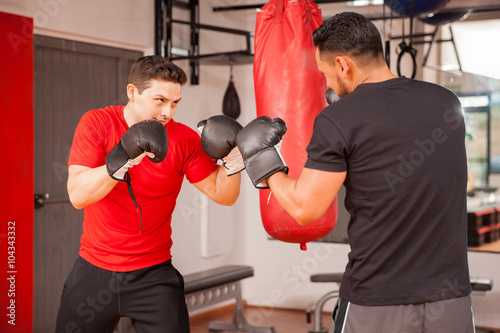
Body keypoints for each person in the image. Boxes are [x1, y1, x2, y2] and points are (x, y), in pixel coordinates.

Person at [236, 12, 473, 333]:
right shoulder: (447, 102)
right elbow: (455, 180)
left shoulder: (339, 119)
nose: (327, 84)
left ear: (342, 65)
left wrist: (263, 158)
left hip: (377, 299)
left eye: (325, 74)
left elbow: (305, 209)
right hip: (452, 298)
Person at [55, 55, 243, 333]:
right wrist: (119, 159)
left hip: (153, 275)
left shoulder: (184, 139)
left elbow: (222, 194)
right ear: (133, 92)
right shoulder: (97, 123)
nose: (168, 112)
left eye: (175, 102)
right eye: (160, 100)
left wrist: (234, 162)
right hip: (94, 272)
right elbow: (77, 195)